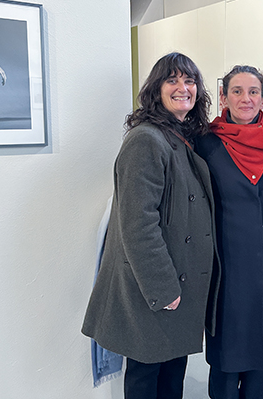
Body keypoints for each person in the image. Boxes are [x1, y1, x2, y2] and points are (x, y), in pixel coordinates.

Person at [82, 52, 220, 399]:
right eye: (172, 80)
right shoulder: (146, 139)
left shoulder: (179, 136)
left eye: (189, 81)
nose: (182, 87)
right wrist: (164, 289)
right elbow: (137, 223)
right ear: (156, 88)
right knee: (146, 379)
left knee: (171, 376)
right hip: (155, 290)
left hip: (175, 283)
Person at [195, 65, 263, 399]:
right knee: (228, 349)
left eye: (253, 92)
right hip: (228, 262)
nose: (245, 99)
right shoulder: (206, 142)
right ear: (223, 96)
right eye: (237, 91)